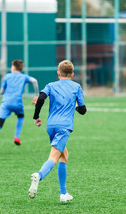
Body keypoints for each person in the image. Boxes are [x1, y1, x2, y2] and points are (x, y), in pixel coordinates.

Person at [28, 60, 87, 203]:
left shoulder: (51, 85)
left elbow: (41, 98)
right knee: (53, 158)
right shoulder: (76, 86)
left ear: (58, 73)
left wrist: (36, 116)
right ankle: (39, 175)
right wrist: (76, 108)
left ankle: (63, 193)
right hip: (64, 127)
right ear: (72, 74)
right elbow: (83, 110)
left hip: (51, 126)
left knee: (64, 155)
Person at [0, 59, 39, 155]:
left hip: (6, 103)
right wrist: (36, 95)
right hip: (17, 103)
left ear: (13, 67)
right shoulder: (23, 77)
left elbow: (1, 92)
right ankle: (16, 137)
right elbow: (34, 81)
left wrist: (4, 91)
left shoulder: (7, 76)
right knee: (20, 116)